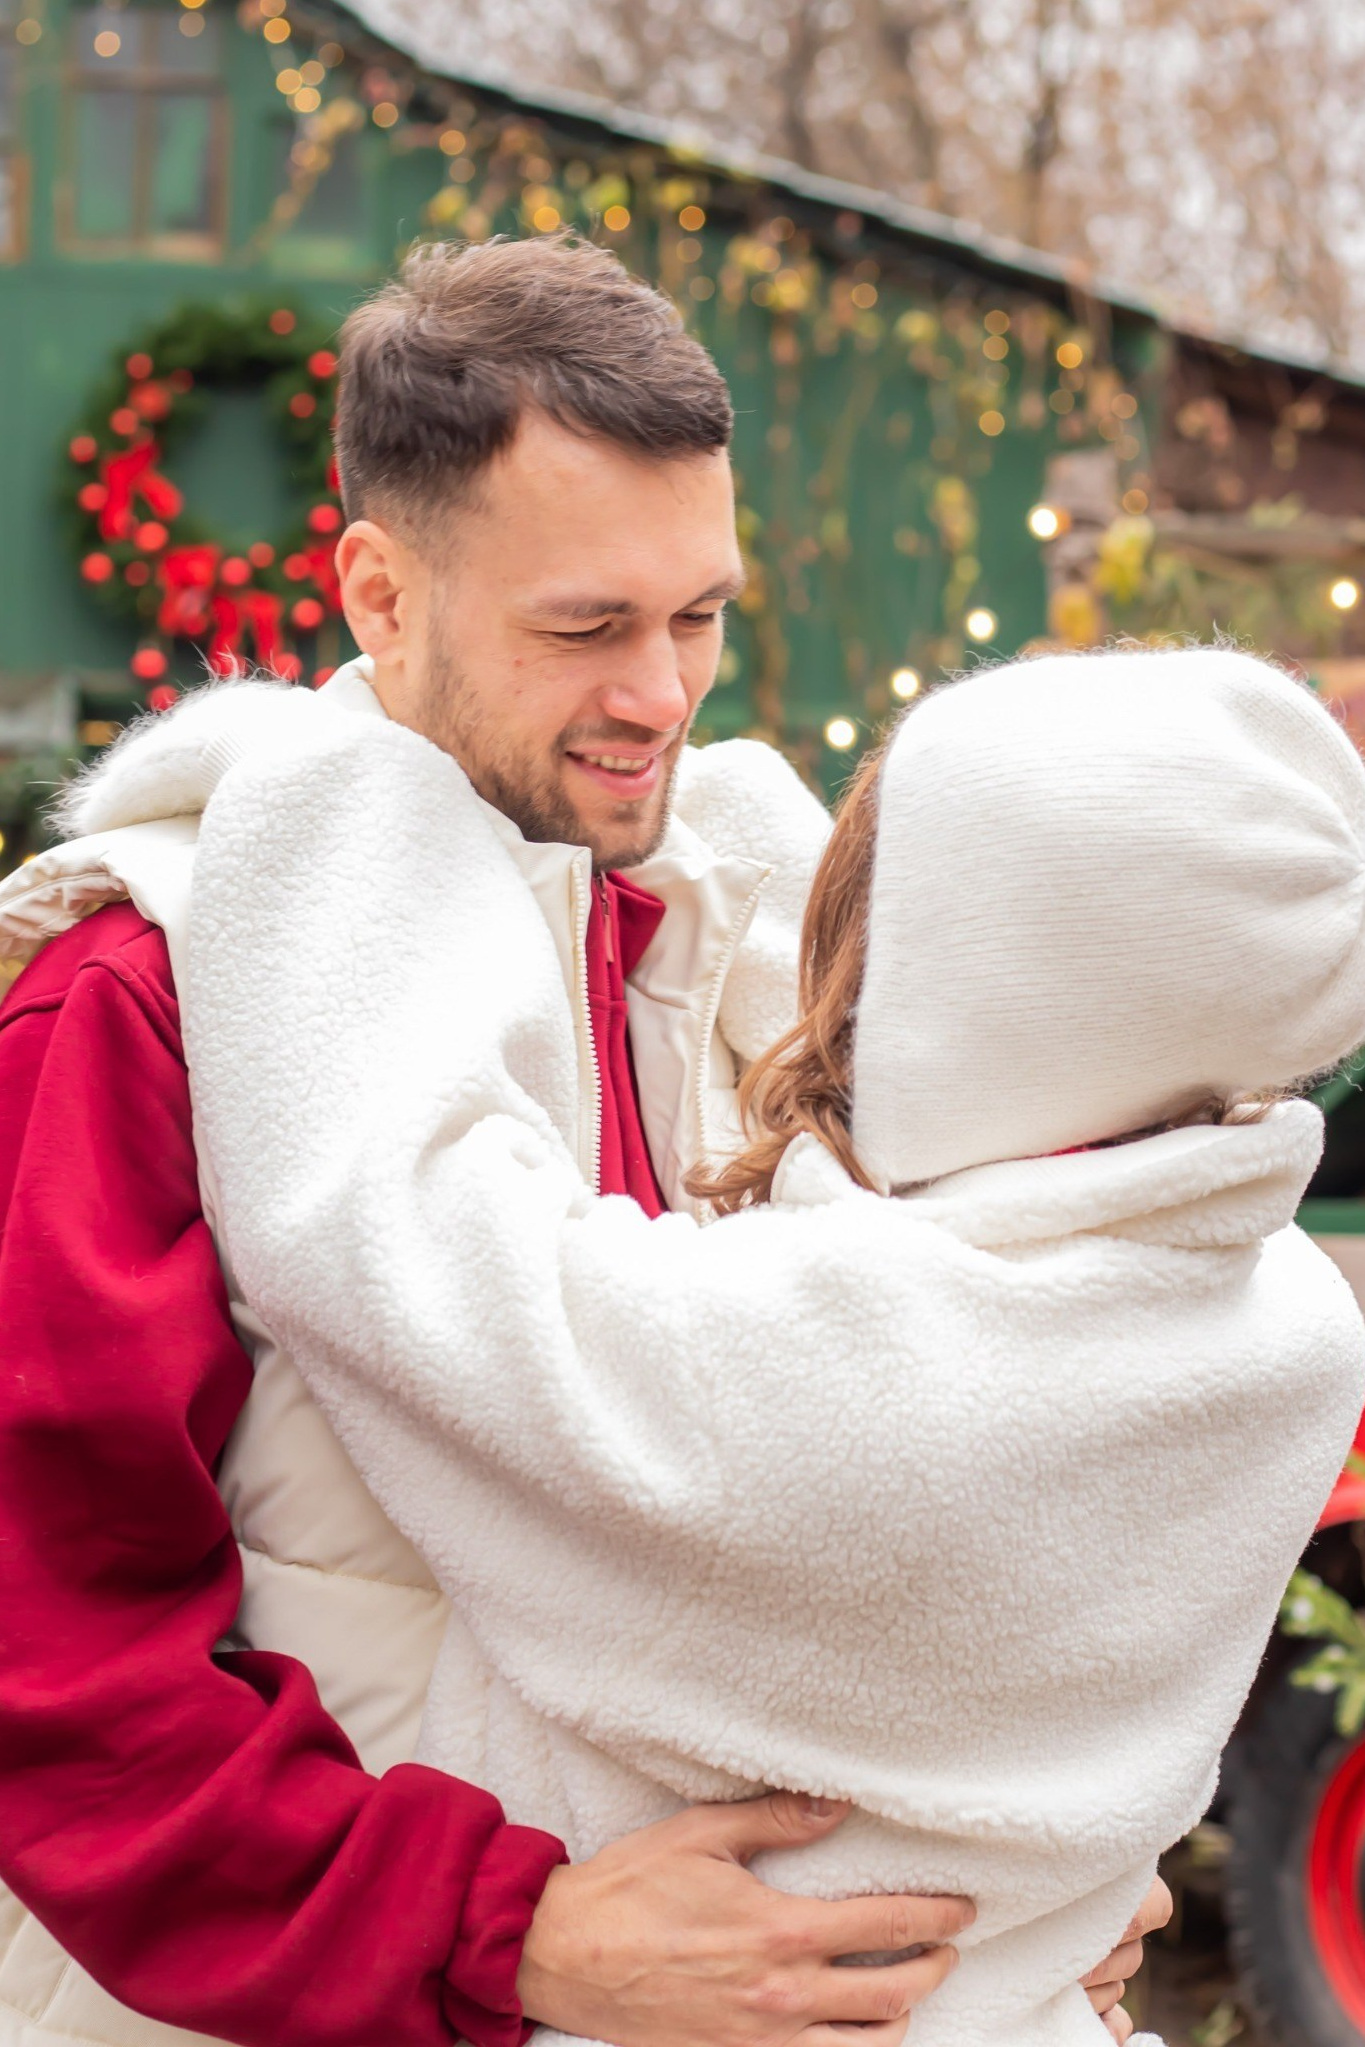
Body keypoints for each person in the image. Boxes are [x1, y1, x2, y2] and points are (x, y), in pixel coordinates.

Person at [0, 234, 1163, 2047]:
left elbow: (939, 1476)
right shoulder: (136, 994)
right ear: (379, 595)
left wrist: (1036, 1868)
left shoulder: (787, 962)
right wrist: (507, 1937)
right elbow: (53, 1663)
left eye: (697, 615)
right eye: (584, 628)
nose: (663, 696)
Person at [107, 643, 1365, 2047]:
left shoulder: (845, 1382)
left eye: (891, 911)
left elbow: (395, 1220)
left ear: (984, 1001)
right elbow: (948, 1132)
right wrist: (719, 828)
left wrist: (327, 794)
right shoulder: (1291, 1331)